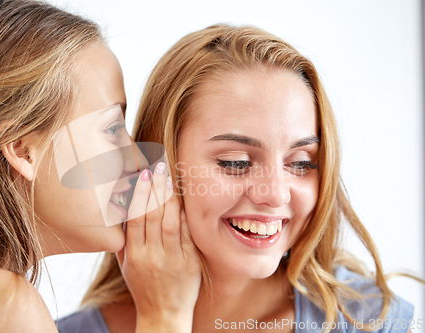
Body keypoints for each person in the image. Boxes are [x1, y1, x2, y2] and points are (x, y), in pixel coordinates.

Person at [62, 24, 418, 332]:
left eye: (300, 163)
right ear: (158, 168)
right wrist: (163, 321)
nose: (275, 194)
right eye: (236, 162)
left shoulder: (372, 322)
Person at [0, 1, 200, 332]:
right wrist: (165, 317)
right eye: (112, 128)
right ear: (21, 149)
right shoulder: (1, 307)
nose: (140, 159)